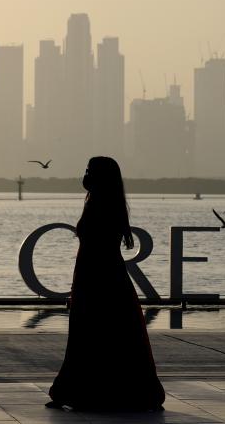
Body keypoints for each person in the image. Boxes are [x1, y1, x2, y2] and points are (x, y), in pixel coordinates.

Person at [47, 157, 164, 411]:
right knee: (105, 335)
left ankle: (85, 391)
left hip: (98, 277)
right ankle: (87, 389)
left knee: (93, 334)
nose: (85, 175)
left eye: (89, 171)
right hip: (100, 275)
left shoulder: (101, 205)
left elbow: (97, 247)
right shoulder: (103, 202)